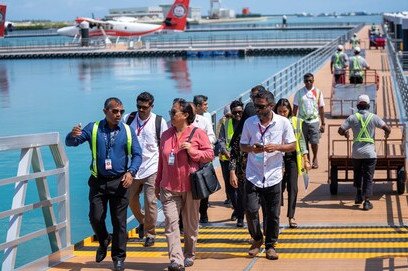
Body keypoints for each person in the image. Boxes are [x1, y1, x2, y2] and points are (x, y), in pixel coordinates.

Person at [65, 97, 142, 271]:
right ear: (105, 111)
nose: (119, 114)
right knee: (95, 217)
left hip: (121, 181)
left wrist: (131, 172)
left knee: (119, 222)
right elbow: (71, 143)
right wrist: (72, 135)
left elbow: (137, 155)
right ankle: (104, 240)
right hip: (98, 182)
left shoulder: (128, 131)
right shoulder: (93, 128)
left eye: (121, 111)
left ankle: (118, 258)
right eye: (115, 111)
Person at [155, 98, 214, 271]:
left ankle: (189, 253)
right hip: (168, 187)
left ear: (185, 115)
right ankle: (176, 259)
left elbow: (210, 154)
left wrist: (193, 151)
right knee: (171, 223)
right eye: (171, 112)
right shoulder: (166, 134)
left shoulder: (197, 133)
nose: (171, 115)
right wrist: (158, 183)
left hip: (191, 186)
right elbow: (162, 161)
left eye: (174, 112)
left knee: (190, 224)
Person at [240, 90, 296, 260]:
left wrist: (277, 147)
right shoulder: (249, 123)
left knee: (273, 214)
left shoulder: (283, 123)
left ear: (271, 106)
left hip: (273, 174)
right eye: (255, 105)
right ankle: (257, 239)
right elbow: (243, 146)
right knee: (250, 210)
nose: (257, 109)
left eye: (261, 106)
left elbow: (292, 145)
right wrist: (252, 149)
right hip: (253, 174)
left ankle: (270, 245)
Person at [124, 92, 168, 247]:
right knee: (130, 200)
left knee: (150, 201)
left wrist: (164, 170)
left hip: (152, 167)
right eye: (138, 107)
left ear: (151, 106)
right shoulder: (128, 119)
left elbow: (164, 146)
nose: (141, 110)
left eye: (144, 107)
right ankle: (143, 221)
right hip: (133, 169)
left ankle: (150, 234)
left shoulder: (159, 121)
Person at [338, 95, 390, 211]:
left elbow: (340, 130)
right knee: (368, 177)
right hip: (370, 153)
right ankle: (367, 202)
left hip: (356, 153)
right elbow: (387, 128)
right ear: (368, 106)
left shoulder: (352, 118)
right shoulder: (374, 117)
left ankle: (358, 195)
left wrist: (346, 133)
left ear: (357, 106)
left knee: (357, 173)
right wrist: (387, 134)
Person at [229, 85, 264, 228]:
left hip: (263, 172)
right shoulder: (241, 134)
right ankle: (241, 217)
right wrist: (232, 172)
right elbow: (234, 153)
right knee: (247, 199)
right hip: (245, 174)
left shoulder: (264, 130)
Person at [274, 98, 311, 228]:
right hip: (277, 159)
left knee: (293, 188)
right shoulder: (272, 122)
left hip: (292, 158)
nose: (282, 114)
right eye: (279, 111)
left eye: (284, 111)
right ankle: (275, 217)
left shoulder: (296, 121)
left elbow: (301, 141)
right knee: (277, 188)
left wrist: (306, 159)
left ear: (289, 110)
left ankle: (291, 216)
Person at [190, 100, 216, 224]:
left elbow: (212, 137)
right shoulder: (177, 124)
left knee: (203, 187)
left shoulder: (204, 120)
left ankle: (203, 213)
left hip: (202, 159)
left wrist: (200, 142)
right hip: (187, 162)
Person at [218, 100, 244, 222]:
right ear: (231, 112)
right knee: (230, 187)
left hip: (242, 160)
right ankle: (237, 209)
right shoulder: (226, 123)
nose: (238, 115)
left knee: (241, 187)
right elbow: (221, 139)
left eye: (240, 112)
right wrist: (224, 150)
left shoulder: (247, 123)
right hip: (227, 159)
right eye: (235, 113)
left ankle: (239, 213)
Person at [293, 73, 325, 169]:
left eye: (310, 81)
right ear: (304, 82)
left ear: (313, 81)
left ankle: (315, 158)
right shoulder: (299, 93)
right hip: (302, 121)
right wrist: (292, 122)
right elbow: (295, 108)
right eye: (306, 81)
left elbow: (321, 108)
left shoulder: (318, 92)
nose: (308, 82)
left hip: (314, 121)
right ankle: (306, 160)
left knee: (314, 142)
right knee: (304, 142)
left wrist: (323, 123)